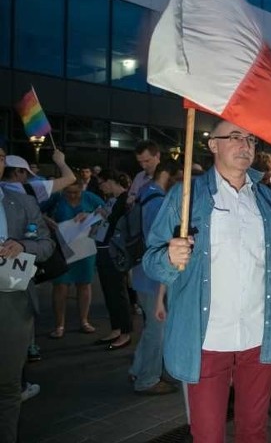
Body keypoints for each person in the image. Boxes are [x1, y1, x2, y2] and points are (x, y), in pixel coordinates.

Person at [143, 120, 271, 442]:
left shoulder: (266, 198)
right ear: (213, 145)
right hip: (206, 337)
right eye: (234, 137)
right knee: (207, 434)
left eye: (251, 139)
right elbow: (151, 261)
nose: (245, 146)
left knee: (254, 431)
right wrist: (168, 258)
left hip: (260, 334)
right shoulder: (185, 196)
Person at [0, 145, 55, 443]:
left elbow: (46, 245)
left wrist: (23, 246)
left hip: (13, 300)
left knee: (8, 385)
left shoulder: (21, 202)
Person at [129, 158, 181, 396]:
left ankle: (139, 369)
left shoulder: (144, 193)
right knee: (156, 331)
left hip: (140, 273)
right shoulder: (159, 201)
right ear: (167, 176)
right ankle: (147, 379)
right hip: (152, 278)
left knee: (152, 327)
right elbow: (159, 246)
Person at [43, 181, 105, 337]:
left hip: (85, 247)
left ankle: (84, 320)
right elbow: (36, 211)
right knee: (61, 285)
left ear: (81, 189)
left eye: (76, 192)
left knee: (84, 283)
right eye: (68, 192)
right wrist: (47, 220)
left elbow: (107, 211)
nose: (72, 195)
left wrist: (90, 215)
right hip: (63, 246)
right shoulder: (57, 198)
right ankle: (59, 324)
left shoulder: (90, 197)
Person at [93, 170, 134, 350]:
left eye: (103, 183)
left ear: (111, 181)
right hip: (103, 248)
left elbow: (116, 221)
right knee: (109, 292)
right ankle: (116, 328)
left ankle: (125, 332)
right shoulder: (112, 200)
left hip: (114, 251)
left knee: (118, 291)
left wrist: (104, 214)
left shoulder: (125, 200)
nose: (102, 187)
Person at [1, 150, 76, 204]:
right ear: (17, 171)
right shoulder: (30, 189)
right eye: (26, 173)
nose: (27, 178)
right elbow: (71, 178)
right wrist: (61, 162)